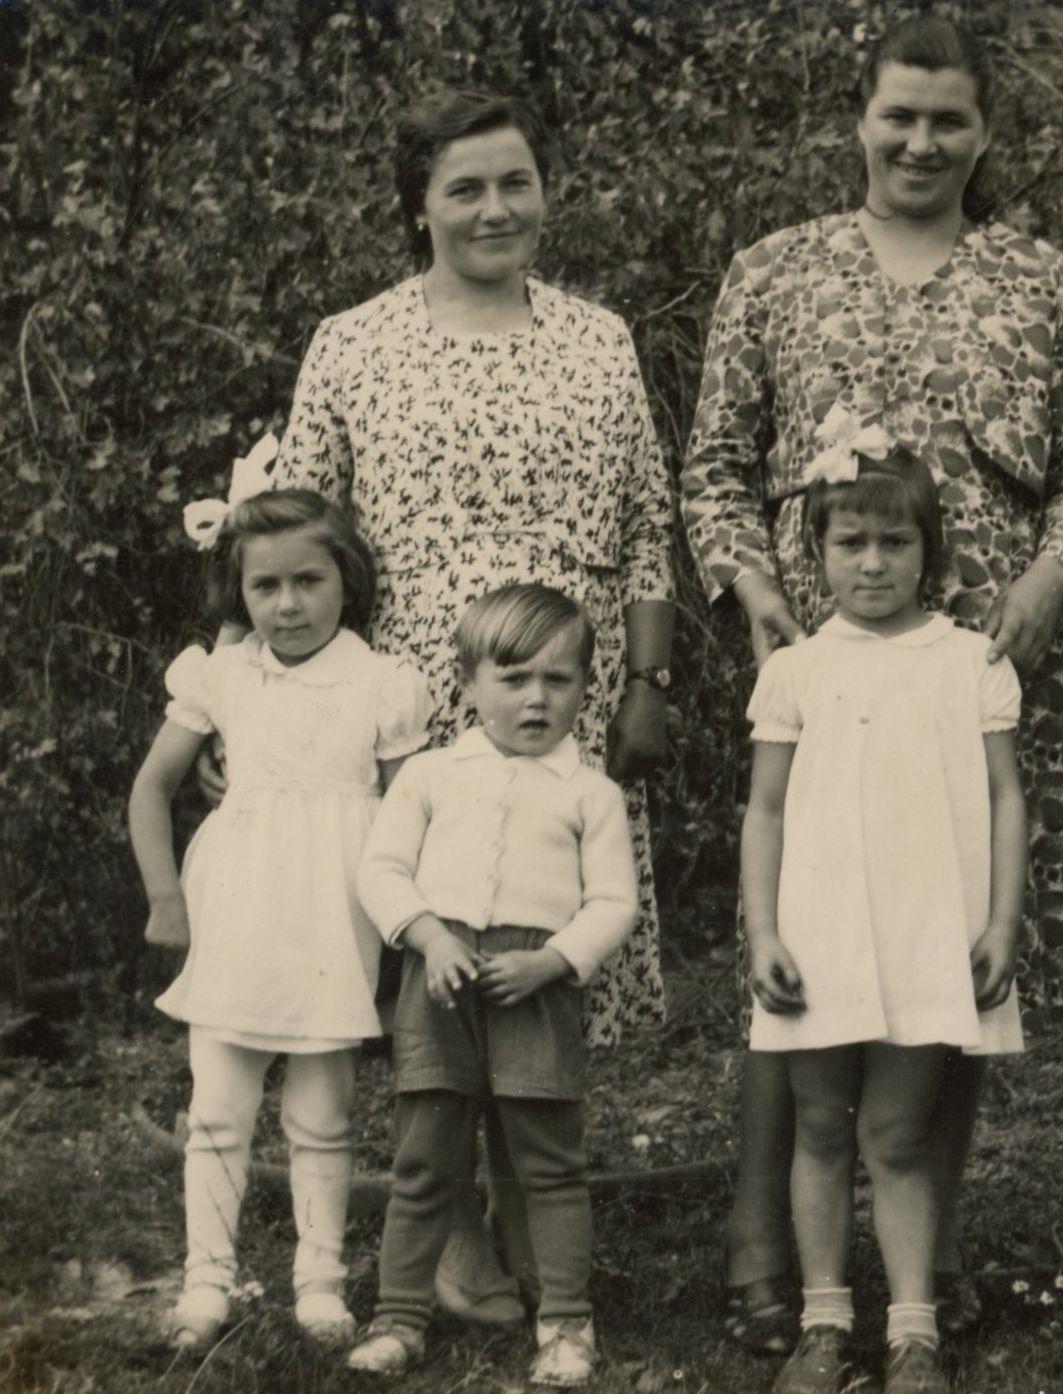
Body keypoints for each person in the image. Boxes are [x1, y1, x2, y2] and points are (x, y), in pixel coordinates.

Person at [679, 15, 1063, 1349]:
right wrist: (753, 590)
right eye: (898, 116)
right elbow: (713, 467)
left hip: (976, 670)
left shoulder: (1039, 280)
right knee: (807, 946)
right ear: (858, 120)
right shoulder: (776, 270)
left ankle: (932, 1258)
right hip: (820, 673)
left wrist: (1047, 585)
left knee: (942, 956)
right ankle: (771, 1258)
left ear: (984, 132)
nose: (920, 142)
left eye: (947, 120)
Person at [270, 89, 677, 1319]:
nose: (496, 208)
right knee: (437, 968)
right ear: (418, 207)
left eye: (515, 182)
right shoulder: (353, 343)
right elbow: (295, 535)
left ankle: (522, 1208)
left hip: (562, 697)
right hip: (420, 711)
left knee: (540, 952)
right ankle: (446, 1231)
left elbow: (646, 525)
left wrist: (646, 682)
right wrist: (271, 703)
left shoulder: (598, 338)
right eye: (465, 187)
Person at [741, 435, 1026, 1394]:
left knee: (898, 1135)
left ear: (927, 552)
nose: (872, 564)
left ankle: (913, 1331)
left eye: (894, 544)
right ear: (816, 551)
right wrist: (763, 933)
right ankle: (823, 1322)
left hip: (925, 929)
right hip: (820, 931)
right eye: (850, 543)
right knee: (821, 1126)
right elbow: (766, 810)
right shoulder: (795, 670)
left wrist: (999, 925)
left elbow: (1005, 799)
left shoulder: (970, 661)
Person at [128, 483, 431, 1350]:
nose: (288, 604)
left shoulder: (381, 683)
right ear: (239, 591)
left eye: (308, 581)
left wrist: (406, 924)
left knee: (323, 1117)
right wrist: (164, 896)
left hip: (335, 917)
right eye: (266, 586)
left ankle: (319, 1285)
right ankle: (206, 1285)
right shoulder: (221, 676)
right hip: (238, 911)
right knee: (218, 1112)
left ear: (347, 580)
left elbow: (409, 814)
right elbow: (151, 788)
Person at [345, 584, 638, 1387]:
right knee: (424, 1161)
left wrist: (556, 961)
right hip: (439, 989)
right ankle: (398, 1318)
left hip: (534, 992)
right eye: (513, 679)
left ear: (586, 686)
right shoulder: (431, 776)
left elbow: (615, 902)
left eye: (558, 679)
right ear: (469, 683)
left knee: (548, 1164)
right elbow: (380, 870)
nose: (536, 699)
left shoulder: (591, 793)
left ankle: (566, 1323)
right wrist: (429, 935)